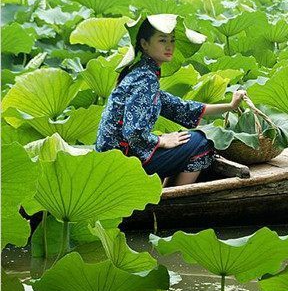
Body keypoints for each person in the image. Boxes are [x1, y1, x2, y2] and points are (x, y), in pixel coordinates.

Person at [95, 18, 246, 186]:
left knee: (188, 138)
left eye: (172, 40)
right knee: (202, 143)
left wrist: (230, 106)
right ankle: (174, 201)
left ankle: (166, 192)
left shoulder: (141, 73)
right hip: (122, 160)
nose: (169, 46)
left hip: (116, 156)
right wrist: (161, 141)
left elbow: (181, 108)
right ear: (144, 44)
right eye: (162, 40)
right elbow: (132, 132)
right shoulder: (145, 79)